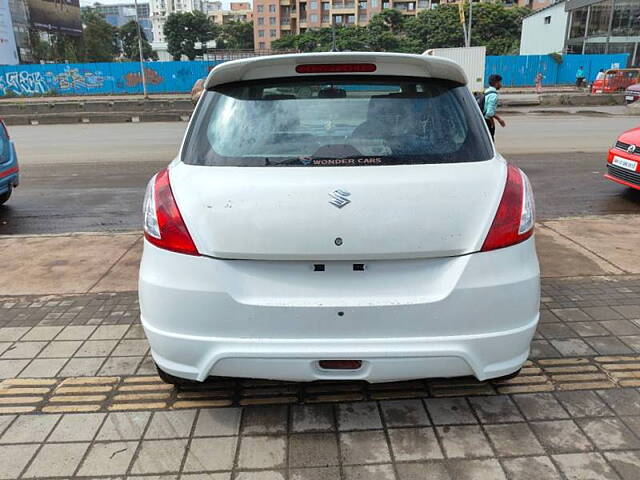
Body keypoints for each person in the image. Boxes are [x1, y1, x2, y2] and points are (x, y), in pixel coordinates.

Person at [483, 74, 505, 141]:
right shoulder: (493, 95)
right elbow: (489, 113)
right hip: (487, 122)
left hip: (482, 119)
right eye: (500, 82)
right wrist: (498, 120)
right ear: (496, 83)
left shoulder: (486, 91)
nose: (501, 84)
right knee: (489, 141)